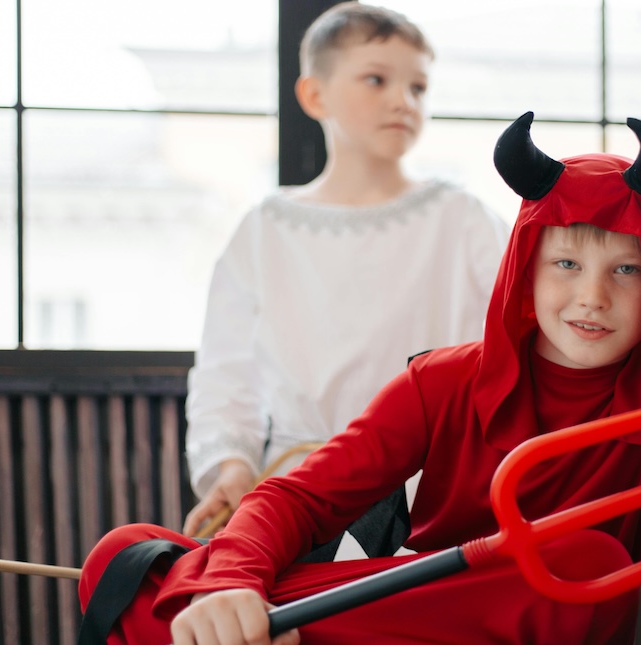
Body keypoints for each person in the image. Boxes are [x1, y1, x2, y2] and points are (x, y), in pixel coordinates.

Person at [79, 112, 641, 644]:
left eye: (626, 269)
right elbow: (299, 496)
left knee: (580, 558)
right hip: (410, 608)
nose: (592, 295)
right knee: (126, 554)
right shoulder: (445, 380)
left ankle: (265, 629)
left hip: (553, 616)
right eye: (566, 264)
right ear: (523, 273)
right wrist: (229, 582)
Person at [182, 2, 510, 537]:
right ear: (315, 95)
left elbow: (514, 343)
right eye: (376, 80)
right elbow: (226, 374)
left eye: (418, 88)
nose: (403, 102)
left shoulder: (465, 218)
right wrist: (232, 465)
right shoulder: (266, 229)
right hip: (300, 485)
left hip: (435, 489)